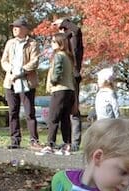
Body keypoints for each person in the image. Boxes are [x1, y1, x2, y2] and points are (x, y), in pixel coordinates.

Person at [0, 16, 42, 150]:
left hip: (26, 81)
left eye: (17, 27)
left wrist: (21, 71)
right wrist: (11, 70)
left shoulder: (33, 43)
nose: (14, 29)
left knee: (29, 112)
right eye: (13, 27)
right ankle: (15, 140)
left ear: (25, 29)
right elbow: (4, 60)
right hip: (10, 82)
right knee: (13, 112)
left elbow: (35, 61)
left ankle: (34, 141)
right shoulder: (10, 43)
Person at [38, 33, 75, 155]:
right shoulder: (69, 57)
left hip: (59, 89)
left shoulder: (59, 56)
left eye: (54, 41)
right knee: (65, 119)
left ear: (61, 43)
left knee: (53, 118)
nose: (51, 44)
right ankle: (67, 145)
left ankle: (50, 144)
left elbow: (57, 72)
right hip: (69, 90)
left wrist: (53, 81)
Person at [53, 18, 84, 151]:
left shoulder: (74, 40)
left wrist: (63, 22)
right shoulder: (62, 47)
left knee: (74, 110)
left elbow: (76, 30)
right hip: (64, 81)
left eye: (63, 29)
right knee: (64, 113)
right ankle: (68, 142)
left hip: (72, 79)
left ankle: (75, 142)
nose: (61, 32)